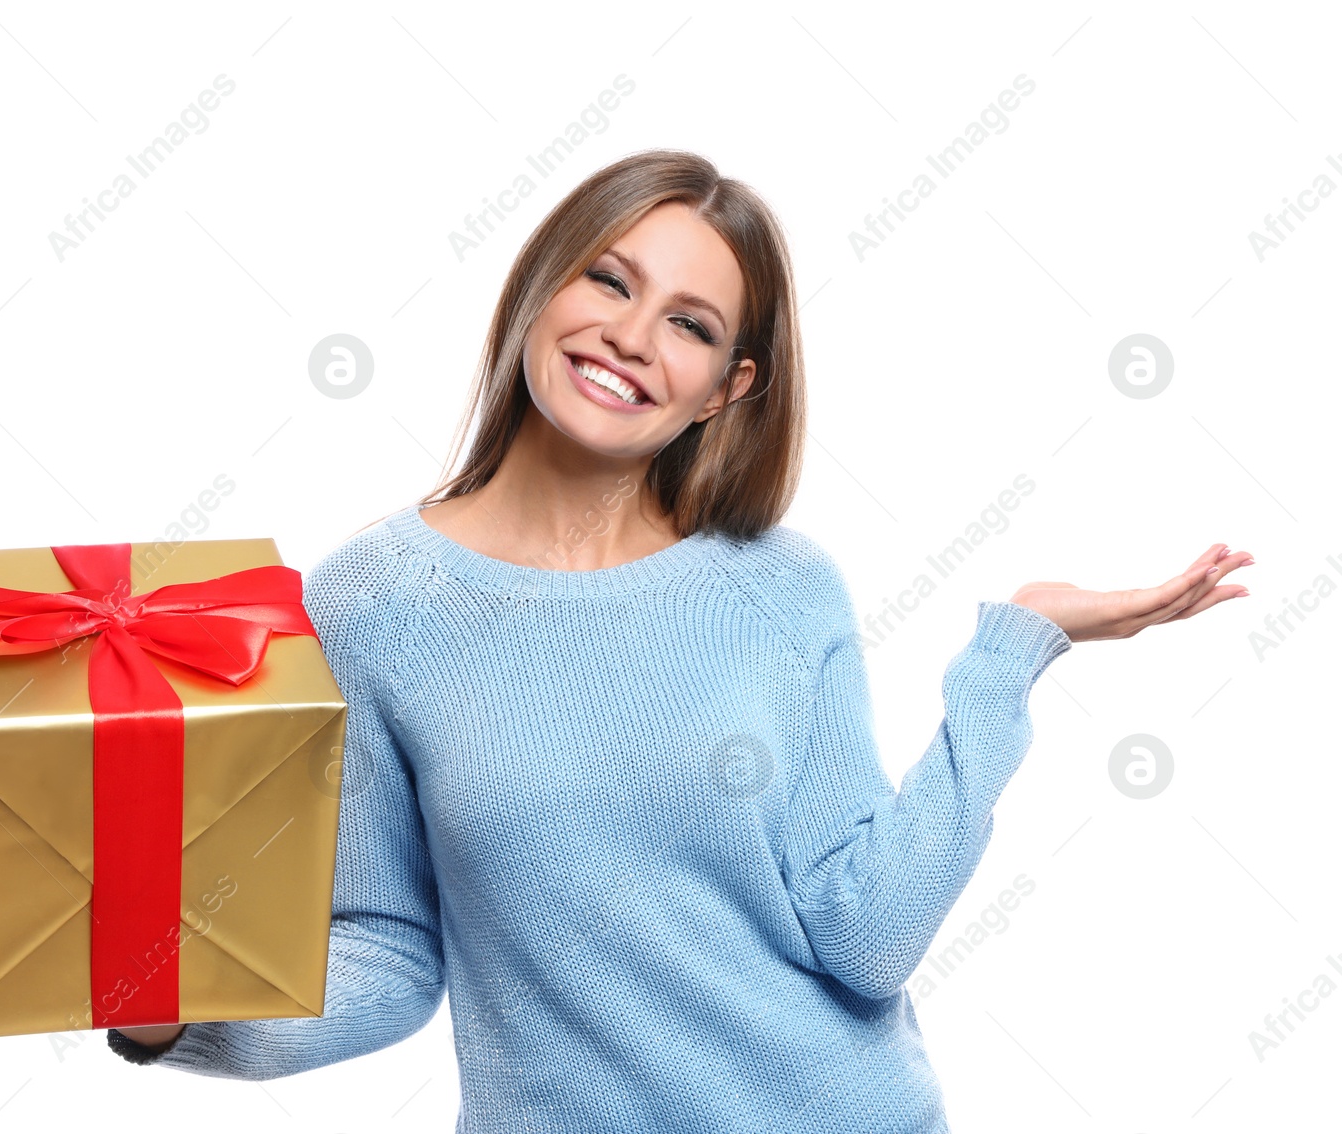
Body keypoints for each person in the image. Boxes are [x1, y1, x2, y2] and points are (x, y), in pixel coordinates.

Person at [108, 148, 1252, 1131]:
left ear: (724, 388)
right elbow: (388, 952)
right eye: (607, 279)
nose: (630, 335)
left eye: (689, 325)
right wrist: (177, 1011)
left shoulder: (777, 587)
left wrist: (1008, 660)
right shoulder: (370, 604)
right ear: (538, 291)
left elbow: (864, 936)